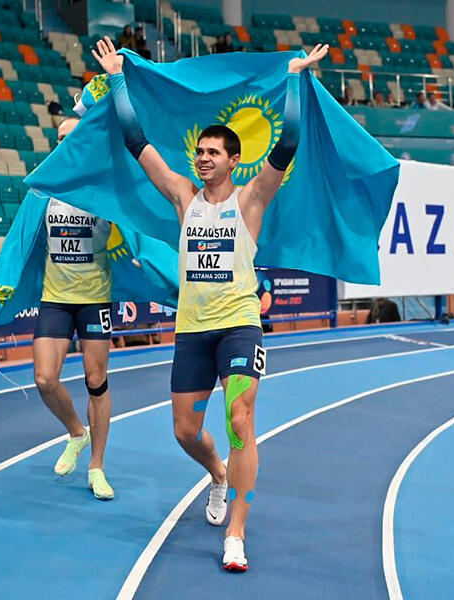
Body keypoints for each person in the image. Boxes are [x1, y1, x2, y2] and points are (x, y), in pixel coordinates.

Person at [93, 36, 328, 572]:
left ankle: (237, 534)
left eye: (212, 153)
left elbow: (289, 142)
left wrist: (294, 78)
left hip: (240, 325)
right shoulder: (183, 196)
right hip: (193, 330)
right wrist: (117, 79)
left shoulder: (252, 198)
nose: (202, 158)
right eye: (199, 152)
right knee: (184, 430)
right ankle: (218, 474)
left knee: (240, 420)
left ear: (233, 160)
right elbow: (135, 140)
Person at [31, 116, 117, 501]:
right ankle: (76, 432)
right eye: (59, 138)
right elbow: (23, 240)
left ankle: (97, 466)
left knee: (95, 381)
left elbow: (137, 224)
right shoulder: (43, 188)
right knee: (44, 379)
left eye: (71, 137)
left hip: (94, 298)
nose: (63, 143)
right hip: (55, 296)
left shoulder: (105, 187)